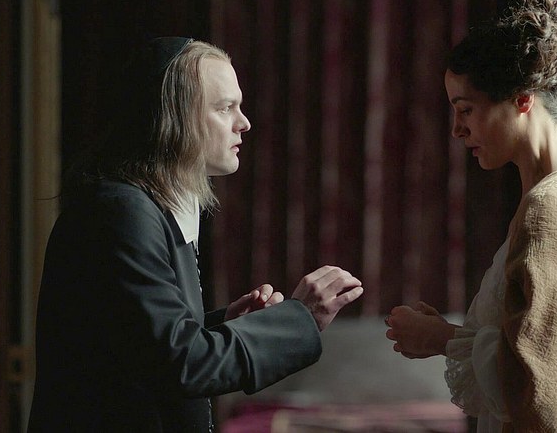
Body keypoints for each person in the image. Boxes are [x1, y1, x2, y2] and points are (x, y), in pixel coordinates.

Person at [28, 37, 364, 432]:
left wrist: (226, 326)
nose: (244, 123)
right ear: (174, 118)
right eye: (225, 108)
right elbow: (182, 364)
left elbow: (139, 347)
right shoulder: (122, 211)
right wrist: (299, 317)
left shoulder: (146, 205)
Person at [385, 0, 557, 432]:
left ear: (522, 99)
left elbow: (540, 383)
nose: (457, 130)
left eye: (466, 110)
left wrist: (442, 339)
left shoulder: (552, 208)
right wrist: (450, 336)